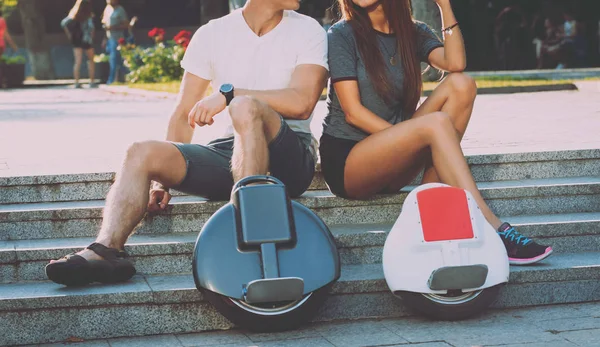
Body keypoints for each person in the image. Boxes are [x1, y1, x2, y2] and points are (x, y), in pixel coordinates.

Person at [45, 0, 328, 286]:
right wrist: (161, 184)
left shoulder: (308, 30)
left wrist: (229, 96)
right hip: (234, 150)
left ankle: (254, 244)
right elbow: (183, 114)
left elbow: (302, 102)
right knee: (140, 151)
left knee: (244, 106)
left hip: (291, 154)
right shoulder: (213, 33)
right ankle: (106, 250)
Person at [320, 0, 553, 265]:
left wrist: (444, 6)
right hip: (349, 161)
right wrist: (410, 137)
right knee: (435, 124)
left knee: (461, 85)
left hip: (394, 160)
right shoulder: (342, 34)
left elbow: (456, 63)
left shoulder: (413, 32)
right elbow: (353, 112)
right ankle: (493, 227)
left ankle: (429, 204)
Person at [61, 0, 96, 89]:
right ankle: (91, 81)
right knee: (90, 60)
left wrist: (69, 35)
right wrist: (91, 38)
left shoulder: (73, 15)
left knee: (78, 61)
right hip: (87, 40)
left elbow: (64, 23)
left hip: (76, 40)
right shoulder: (89, 16)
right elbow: (91, 28)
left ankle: (77, 82)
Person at [101, 0, 130, 84]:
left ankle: (111, 80)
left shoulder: (120, 10)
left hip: (118, 39)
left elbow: (126, 24)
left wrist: (113, 27)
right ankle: (129, 75)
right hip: (110, 38)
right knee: (117, 60)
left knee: (114, 59)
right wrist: (105, 39)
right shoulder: (107, 9)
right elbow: (105, 26)